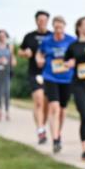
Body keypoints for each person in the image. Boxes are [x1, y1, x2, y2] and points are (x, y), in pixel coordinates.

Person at [36, 16, 76, 153]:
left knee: (63, 109)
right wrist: (39, 60)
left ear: (64, 27)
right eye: (56, 27)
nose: (58, 30)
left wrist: (72, 62)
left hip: (67, 78)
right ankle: (55, 139)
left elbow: (78, 56)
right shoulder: (47, 41)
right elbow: (39, 54)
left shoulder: (71, 41)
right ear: (53, 27)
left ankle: (58, 132)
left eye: (61, 27)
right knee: (54, 107)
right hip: (50, 77)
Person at [66, 16, 85, 160]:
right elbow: (65, 62)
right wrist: (69, 63)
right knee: (84, 116)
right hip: (78, 85)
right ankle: (84, 149)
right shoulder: (73, 46)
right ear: (79, 27)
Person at [18, 11, 52, 144]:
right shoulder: (29, 36)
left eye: (44, 20)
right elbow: (20, 51)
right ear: (36, 21)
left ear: (47, 21)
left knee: (46, 104)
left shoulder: (51, 36)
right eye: (39, 20)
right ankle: (40, 130)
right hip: (34, 72)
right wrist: (25, 53)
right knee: (38, 101)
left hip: (50, 74)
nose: (42, 22)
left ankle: (42, 125)